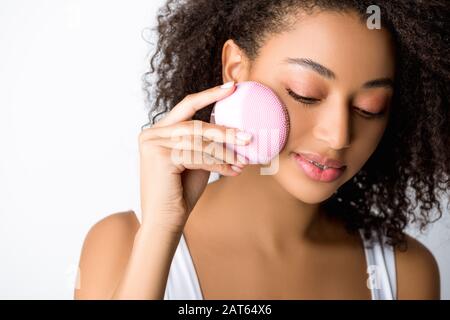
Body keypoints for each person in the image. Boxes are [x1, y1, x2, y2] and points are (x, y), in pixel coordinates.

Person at [74, 0, 448, 299]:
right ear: (236, 69)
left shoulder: (405, 274)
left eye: (370, 107)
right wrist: (161, 230)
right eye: (305, 94)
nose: (337, 136)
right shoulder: (122, 244)